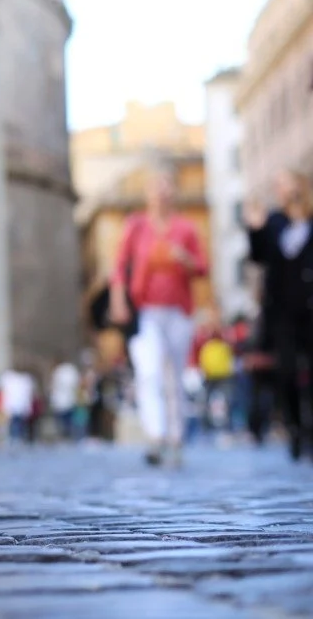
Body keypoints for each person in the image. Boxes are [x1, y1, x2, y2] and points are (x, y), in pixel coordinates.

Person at [110, 169, 208, 466]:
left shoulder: (186, 228)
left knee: (174, 376)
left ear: (173, 194)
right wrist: (118, 301)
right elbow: (119, 266)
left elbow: (203, 268)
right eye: (156, 188)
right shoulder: (136, 226)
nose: (161, 194)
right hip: (148, 310)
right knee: (149, 371)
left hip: (179, 310)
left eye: (166, 188)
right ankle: (156, 435)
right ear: (148, 194)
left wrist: (185, 259)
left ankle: (176, 438)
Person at [244, 169, 313, 461]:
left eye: (284, 182)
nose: (280, 189)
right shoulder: (274, 222)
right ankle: (295, 428)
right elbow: (258, 257)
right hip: (282, 311)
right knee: (285, 372)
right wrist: (255, 229)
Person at [49, 360, 81, 442]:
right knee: (66, 422)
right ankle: (66, 436)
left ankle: (65, 436)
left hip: (63, 402)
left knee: (64, 422)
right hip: (67, 401)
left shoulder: (59, 371)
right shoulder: (70, 371)